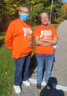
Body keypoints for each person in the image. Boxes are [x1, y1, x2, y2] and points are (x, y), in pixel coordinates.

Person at [5, 5, 33, 94]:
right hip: (19, 53)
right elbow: (7, 39)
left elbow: (29, 37)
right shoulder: (13, 24)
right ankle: (16, 84)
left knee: (26, 67)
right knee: (19, 69)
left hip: (28, 51)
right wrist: (12, 48)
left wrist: (30, 48)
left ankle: (25, 79)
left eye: (27, 13)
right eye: (24, 12)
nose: (26, 14)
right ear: (19, 12)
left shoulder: (28, 24)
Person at [34, 11, 58, 89]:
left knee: (48, 69)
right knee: (40, 68)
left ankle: (48, 81)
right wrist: (50, 43)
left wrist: (44, 40)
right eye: (42, 17)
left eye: (46, 17)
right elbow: (37, 42)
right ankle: (38, 81)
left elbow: (55, 41)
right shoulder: (37, 28)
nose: (44, 19)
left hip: (50, 53)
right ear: (40, 19)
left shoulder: (53, 29)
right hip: (40, 53)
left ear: (48, 18)